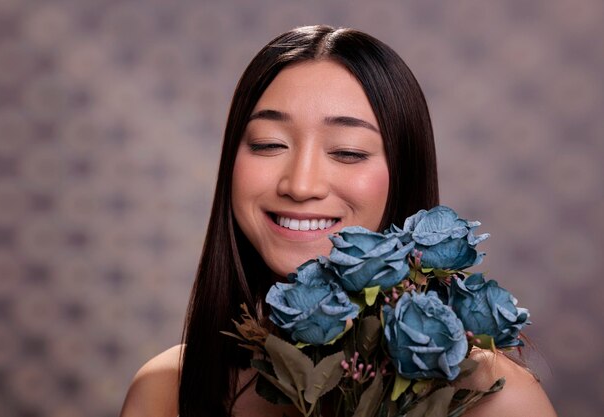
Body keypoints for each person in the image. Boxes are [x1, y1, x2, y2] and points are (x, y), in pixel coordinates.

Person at [119, 25, 557, 417]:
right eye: (269, 144)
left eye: (347, 151)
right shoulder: (165, 391)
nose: (300, 184)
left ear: (404, 174)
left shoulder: (494, 400)